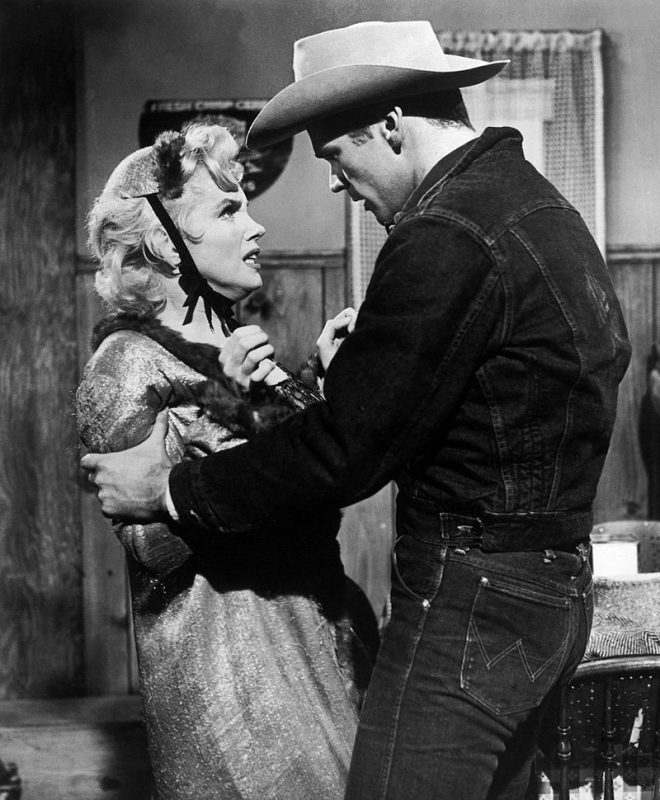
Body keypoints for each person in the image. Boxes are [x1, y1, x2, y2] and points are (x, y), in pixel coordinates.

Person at [81, 20, 632, 800]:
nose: (337, 185)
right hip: (540, 591)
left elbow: (346, 451)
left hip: (468, 604)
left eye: (337, 156)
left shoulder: (445, 232)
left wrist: (175, 486)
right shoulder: (536, 207)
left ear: (392, 126)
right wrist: (345, 388)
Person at [76, 120, 377, 800]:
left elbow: (291, 475)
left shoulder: (230, 342)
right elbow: (155, 548)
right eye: (228, 210)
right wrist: (226, 403)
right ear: (164, 242)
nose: (256, 225)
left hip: (320, 658)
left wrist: (318, 383)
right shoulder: (124, 366)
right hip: (235, 697)